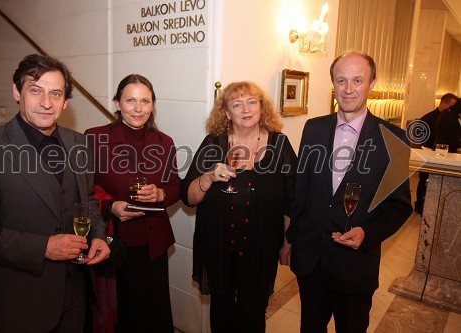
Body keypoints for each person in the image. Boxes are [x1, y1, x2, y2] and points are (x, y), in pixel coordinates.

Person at [0, 54, 110, 332]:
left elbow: (87, 199)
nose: (46, 102)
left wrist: (98, 235)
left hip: (76, 292)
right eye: (35, 90)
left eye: (56, 93)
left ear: (65, 102)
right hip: (23, 300)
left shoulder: (78, 142)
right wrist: (44, 248)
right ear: (17, 92)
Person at [286, 51, 412, 333]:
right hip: (312, 262)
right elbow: (300, 190)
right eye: (341, 80)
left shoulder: (393, 138)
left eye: (357, 80)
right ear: (333, 83)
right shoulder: (314, 128)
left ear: (372, 83)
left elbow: (399, 206)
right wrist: (290, 239)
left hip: (355, 267)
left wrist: (367, 233)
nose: (349, 88)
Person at [181, 81, 297, 332]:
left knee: (253, 313)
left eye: (252, 102)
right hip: (219, 246)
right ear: (226, 113)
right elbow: (189, 197)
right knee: (221, 310)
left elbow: (292, 199)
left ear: (261, 107)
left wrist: (288, 241)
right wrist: (209, 177)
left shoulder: (280, 144)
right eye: (237, 104)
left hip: (261, 247)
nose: (246, 109)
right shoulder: (214, 143)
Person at [85, 74, 180, 332]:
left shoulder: (164, 142)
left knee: (153, 314)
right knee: (122, 315)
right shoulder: (95, 138)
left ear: (152, 105)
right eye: (130, 100)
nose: (138, 109)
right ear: (117, 103)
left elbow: (175, 186)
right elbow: (83, 189)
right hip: (115, 242)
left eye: (145, 101)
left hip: (154, 244)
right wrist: (111, 206)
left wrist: (161, 194)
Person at [414, 93, 457, 214]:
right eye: (452, 106)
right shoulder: (429, 118)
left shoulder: (449, 118)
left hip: (440, 154)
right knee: (424, 180)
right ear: (444, 103)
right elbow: (419, 137)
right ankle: (420, 204)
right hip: (427, 152)